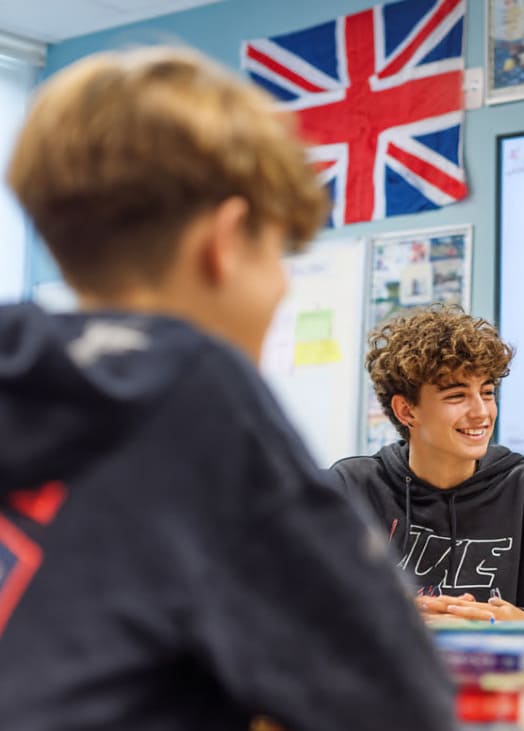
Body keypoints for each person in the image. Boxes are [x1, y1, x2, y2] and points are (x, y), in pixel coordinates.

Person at [0, 47, 455, 730]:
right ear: (227, 239)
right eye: (278, 253)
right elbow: (401, 697)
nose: (279, 285)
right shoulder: (192, 387)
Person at [330, 305, 524, 646]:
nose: (481, 413)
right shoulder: (352, 488)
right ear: (406, 410)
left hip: (502, 689)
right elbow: (286, 601)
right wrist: (388, 614)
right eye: (457, 396)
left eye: (487, 392)